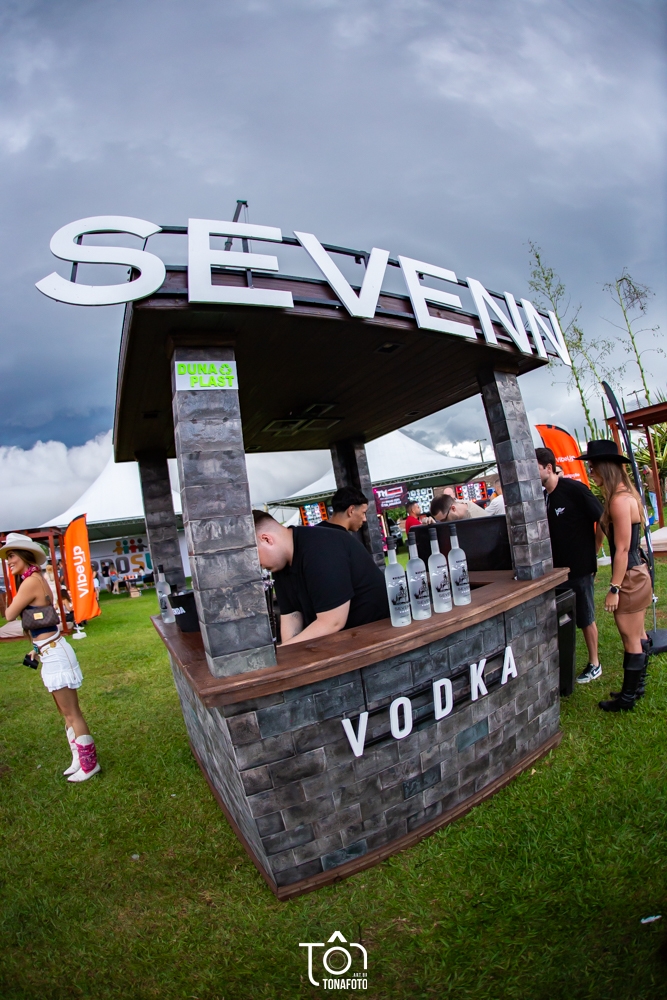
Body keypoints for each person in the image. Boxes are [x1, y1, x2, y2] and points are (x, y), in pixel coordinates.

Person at [0, 533, 100, 781]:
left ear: (25, 555)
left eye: (12, 555)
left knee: (72, 713)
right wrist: (35, 649)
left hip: (55, 654)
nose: (8, 561)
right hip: (49, 651)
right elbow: (42, 621)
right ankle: (78, 759)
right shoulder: (37, 578)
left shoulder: (29, 582)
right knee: (66, 713)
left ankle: (90, 764)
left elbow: (9, 614)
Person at [581, 441, 653, 711]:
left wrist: (614, 588)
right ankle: (635, 689)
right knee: (638, 633)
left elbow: (622, 549)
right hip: (637, 572)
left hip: (630, 577)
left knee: (630, 636)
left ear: (605, 468)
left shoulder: (620, 501)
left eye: (593, 467)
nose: (591, 472)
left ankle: (627, 699)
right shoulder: (625, 495)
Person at [253, 511, 388, 645]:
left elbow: (333, 622)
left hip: (379, 637)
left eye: (254, 558)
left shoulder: (320, 549)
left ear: (267, 539)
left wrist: (284, 650)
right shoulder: (278, 565)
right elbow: (291, 616)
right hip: (342, 641)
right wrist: (287, 653)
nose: (257, 566)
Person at [536, 446, 603, 684]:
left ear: (549, 468)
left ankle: (595, 663)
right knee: (560, 618)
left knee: (585, 615)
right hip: (555, 571)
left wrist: (593, 551)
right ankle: (559, 663)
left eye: (535, 468)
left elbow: (602, 518)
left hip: (579, 566)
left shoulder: (574, 489)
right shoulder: (542, 497)